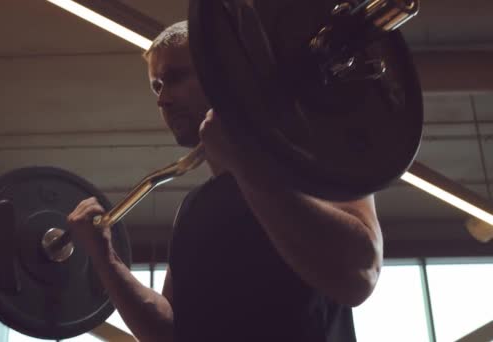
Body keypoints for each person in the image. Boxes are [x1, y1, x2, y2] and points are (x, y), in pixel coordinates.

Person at [68, 21, 383, 342]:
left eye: (175, 78)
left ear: (225, 73)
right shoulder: (193, 209)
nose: (162, 100)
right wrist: (105, 260)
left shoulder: (313, 160)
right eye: (157, 86)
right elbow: (170, 333)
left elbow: (359, 274)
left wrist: (245, 165)